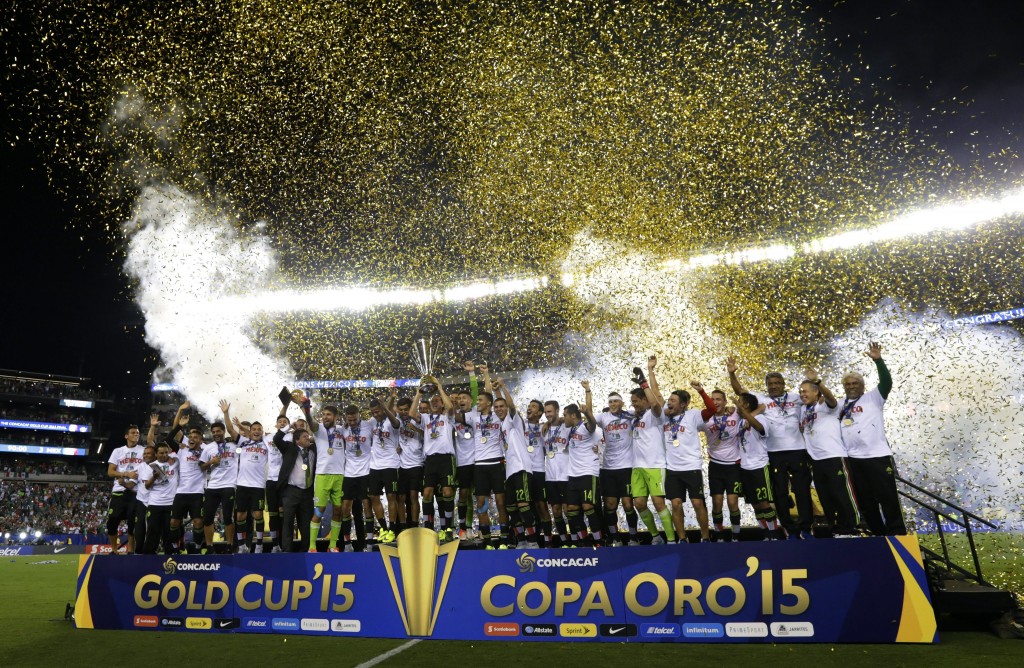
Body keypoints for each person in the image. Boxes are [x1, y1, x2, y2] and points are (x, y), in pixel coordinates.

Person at [728, 357, 813, 539]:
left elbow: (814, 398)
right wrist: (732, 374)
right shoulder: (762, 398)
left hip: (798, 450)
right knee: (779, 493)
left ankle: (806, 528)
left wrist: (814, 382)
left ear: (783, 384)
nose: (774, 386)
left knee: (801, 490)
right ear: (766, 386)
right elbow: (740, 392)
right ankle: (789, 530)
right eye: (770, 384)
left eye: (777, 383)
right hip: (773, 453)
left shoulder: (796, 397)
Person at [840, 342, 906, 535]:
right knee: (865, 502)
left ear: (863, 386)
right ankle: (877, 534)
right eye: (848, 384)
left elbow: (887, 383)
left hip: (877, 456)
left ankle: (897, 534)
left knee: (888, 498)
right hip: (853, 459)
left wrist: (878, 361)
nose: (851, 386)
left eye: (855, 383)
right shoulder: (840, 404)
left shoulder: (874, 397)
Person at [798, 369, 860, 537]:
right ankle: (836, 529)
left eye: (805, 391)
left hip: (834, 455)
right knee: (825, 497)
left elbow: (831, 399)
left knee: (842, 493)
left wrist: (818, 382)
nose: (802, 394)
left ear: (816, 392)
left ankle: (851, 527)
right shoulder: (803, 410)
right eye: (800, 392)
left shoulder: (825, 404)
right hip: (815, 460)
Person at [663, 383, 718, 543]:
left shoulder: (693, 415)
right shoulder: (663, 417)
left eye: (673, 400)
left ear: (683, 404)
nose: (669, 403)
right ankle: (682, 539)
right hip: (672, 468)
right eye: (668, 400)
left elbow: (711, 410)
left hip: (691, 466)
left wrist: (701, 391)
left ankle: (705, 537)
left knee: (697, 502)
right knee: (676, 504)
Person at [630, 355, 674, 545]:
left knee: (658, 503)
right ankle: (656, 537)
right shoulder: (634, 417)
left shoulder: (655, 415)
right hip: (637, 467)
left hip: (655, 465)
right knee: (639, 504)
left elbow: (656, 401)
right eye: (632, 401)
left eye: (636, 401)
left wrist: (645, 381)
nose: (633, 404)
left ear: (645, 400)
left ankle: (671, 540)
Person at [409, 375, 458, 542]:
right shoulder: (425, 418)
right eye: (432, 401)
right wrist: (419, 393)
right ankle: (428, 528)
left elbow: (450, 406)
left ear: (442, 403)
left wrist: (439, 387)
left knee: (447, 492)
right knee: (427, 493)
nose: (435, 402)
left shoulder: (448, 417)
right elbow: (411, 413)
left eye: (438, 401)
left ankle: (448, 527)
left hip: (446, 459)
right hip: (430, 460)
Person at [460, 380, 508, 549]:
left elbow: (503, 404)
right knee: (481, 504)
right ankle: (487, 542)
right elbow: (453, 415)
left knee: (501, 503)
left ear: (489, 403)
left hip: (497, 463)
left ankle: (504, 540)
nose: (477, 402)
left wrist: (491, 382)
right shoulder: (473, 417)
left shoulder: (498, 416)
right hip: (479, 465)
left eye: (480, 400)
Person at [492, 377, 539, 549]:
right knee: (511, 508)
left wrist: (503, 387)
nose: (499, 409)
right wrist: (496, 391)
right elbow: (502, 405)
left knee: (523, 505)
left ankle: (533, 541)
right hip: (510, 472)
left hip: (521, 468)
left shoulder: (514, 421)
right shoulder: (501, 424)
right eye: (496, 407)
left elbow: (511, 406)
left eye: (501, 407)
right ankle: (521, 541)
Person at [733, 393, 783, 540]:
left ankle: (774, 534)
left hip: (760, 466)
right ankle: (766, 533)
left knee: (764, 503)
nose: (737, 405)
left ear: (746, 405)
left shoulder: (761, 418)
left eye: (740, 402)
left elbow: (760, 428)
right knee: (754, 504)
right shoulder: (741, 421)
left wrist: (747, 414)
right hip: (745, 467)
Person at [299, 401, 345, 553]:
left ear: (336, 416)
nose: (325, 417)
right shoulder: (318, 430)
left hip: (339, 475)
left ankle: (332, 546)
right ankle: (312, 547)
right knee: (319, 510)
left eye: (328, 415)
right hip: (322, 476)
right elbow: (311, 423)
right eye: (324, 414)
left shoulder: (342, 430)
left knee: (338, 510)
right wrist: (307, 410)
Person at [562, 382, 603, 547]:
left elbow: (592, 422)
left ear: (573, 416)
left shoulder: (586, 428)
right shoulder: (569, 429)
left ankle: (599, 543)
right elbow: (558, 419)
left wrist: (587, 393)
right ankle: (585, 542)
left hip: (588, 473)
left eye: (565, 415)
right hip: (573, 475)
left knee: (588, 507)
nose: (563, 417)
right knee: (571, 510)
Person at [595, 391, 638, 546]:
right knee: (610, 505)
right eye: (610, 401)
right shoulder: (603, 417)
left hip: (627, 467)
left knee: (628, 504)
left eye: (616, 401)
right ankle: (615, 537)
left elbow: (647, 409)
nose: (613, 404)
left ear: (622, 403)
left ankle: (634, 536)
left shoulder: (630, 415)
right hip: (608, 469)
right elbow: (584, 419)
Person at [199, 401, 239, 552]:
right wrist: (211, 462)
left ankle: (229, 545)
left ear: (224, 432)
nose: (216, 433)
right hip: (213, 487)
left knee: (228, 517)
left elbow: (234, 431)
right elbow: (201, 466)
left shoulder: (234, 445)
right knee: (207, 519)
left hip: (229, 485)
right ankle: (210, 546)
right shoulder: (208, 448)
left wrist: (226, 413)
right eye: (214, 432)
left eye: (219, 431)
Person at [165, 407, 206, 553]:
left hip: (197, 492)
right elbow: (168, 439)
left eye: (195, 437)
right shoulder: (182, 449)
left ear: (201, 440)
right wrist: (180, 426)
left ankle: (198, 547)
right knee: (174, 522)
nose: (192, 439)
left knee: (198, 522)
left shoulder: (206, 450)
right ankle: (176, 548)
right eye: (190, 437)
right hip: (181, 492)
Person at [705, 389, 743, 541]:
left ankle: (736, 535)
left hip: (733, 466)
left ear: (725, 401)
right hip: (715, 465)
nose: (715, 402)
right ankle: (719, 535)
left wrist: (735, 406)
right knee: (717, 502)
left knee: (733, 502)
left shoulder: (736, 414)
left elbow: (755, 409)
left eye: (718, 399)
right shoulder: (705, 419)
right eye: (712, 399)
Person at [274, 425, 316, 552]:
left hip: (307, 492)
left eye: (308, 436)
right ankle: (287, 551)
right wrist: (288, 426)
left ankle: (306, 550)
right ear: (297, 440)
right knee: (288, 522)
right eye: (304, 437)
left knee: (306, 524)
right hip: (291, 491)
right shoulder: (289, 448)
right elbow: (277, 439)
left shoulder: (314, 449)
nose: (308, 438)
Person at [368, 395, 402, 544]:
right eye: (373, 412)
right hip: (374, 466)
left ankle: (393, 529)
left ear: (383, 409)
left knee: (391, 497)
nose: (375, 415)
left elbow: (395, 422)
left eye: (377, 411)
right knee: (374, 497)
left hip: (391, 464)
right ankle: (384, 529)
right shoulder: (372, 422)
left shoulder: (392, 420)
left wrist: (385, 406)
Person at [106, 424, 144, 554]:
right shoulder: (117, 451)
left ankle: (131, 551)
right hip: (119, 491)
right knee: (112, 523)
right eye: (133, 432)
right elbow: (110, 472)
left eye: (137, 433)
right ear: (126, 436)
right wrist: (126, 474)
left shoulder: (144, 450)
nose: (136, 434)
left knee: (133, 524)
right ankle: (114, 550)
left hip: (135, 492)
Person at [234, 419, 270, 554]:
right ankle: (241, 546)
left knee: (258, 515)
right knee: (240, 516)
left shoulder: (266, 443)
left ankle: (259, 545)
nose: (256, 431)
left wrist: (241, 426)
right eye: (254, 429)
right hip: (242, 485)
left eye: (259, 429)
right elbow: (231, 430)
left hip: (258, 485)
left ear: (262, 431)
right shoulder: (243, 442)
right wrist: (226, 414)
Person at [340, 405, 373, 551]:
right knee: (345, 508)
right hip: (349, 473)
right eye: (349, 420)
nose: (352, 423)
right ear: (346, 418)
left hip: (366, 472)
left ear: (359, 415)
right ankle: (347, 544)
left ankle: (369, 543)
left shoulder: (368, 425)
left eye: (354, 419)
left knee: (367, 506)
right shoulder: (343, 428)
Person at [139, 443, 179, 554]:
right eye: (161, 453)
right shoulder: (151, 466)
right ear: (156, 454)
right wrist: (154, 477)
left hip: (171, 503)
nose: (164, 455)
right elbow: (147, 486)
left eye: (166, 452)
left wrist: (172, 456)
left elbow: (179, 452)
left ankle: (169, 554)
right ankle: (149, 554)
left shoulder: (175, 462)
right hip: (154, 503)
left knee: (169, 530)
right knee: (153, 530)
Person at [395, 397, 425, 535]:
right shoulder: (397, 421)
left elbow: (428, 435)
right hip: (402, 464)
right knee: (400, 497)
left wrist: (416, 430)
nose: (403, 412)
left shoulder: (418, 419)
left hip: (417, 463)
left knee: (413, 496)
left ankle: (414, 525)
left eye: (406, 409)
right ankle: (402, 527)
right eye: (401, 410)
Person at [524, 399, 552, 547]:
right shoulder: (521, 424)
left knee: (542, 506)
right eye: (529, 406)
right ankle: (531, 540)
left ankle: (548, 542)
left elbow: (561, 419)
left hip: (540, 470)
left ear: (540, 412)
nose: (529, 408)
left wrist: (548, 422)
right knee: (526, 507)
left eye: (533, 406)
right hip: (525, 471)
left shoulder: (544, 428)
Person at [542, 400, 570, 546]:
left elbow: (579, 419)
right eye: (546, 412)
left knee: (568, 510)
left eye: (550, 411)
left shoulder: (566, 426)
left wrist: (561, 420)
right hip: (551, 476)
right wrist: (548, 423)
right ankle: (564, 541)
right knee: (556, 510)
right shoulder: (543, 430)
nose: (547, 415)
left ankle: (576, 540)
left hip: (566, 475)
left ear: (557, 411)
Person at [266, 413, 289, 552]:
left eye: (285, 421)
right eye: (280, 421)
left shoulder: (291, 437)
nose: (282, 423)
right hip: (271, 480)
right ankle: (275, 545)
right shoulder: (268, 437)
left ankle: (283, 544)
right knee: (273, 513)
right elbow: (251, 435)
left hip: (284, 481)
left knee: (283, 513)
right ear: (276, 424)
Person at [133, 444, 157, 554]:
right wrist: (123, 482)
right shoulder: (140, 467)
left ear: (155, 455)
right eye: (144, 453)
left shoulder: (159, 466)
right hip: (141, 501)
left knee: (152, 528)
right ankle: (138, 551)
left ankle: (150, 551)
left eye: (148, 453)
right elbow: (131, 482)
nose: (146, 455)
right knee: (139, 527)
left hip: (155, 501)